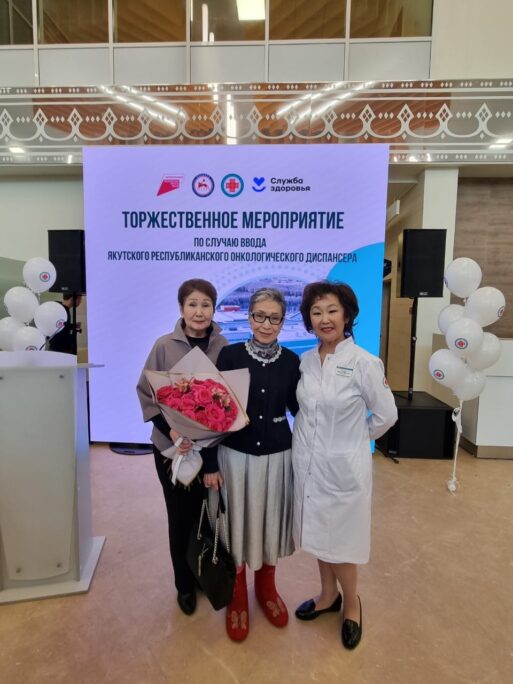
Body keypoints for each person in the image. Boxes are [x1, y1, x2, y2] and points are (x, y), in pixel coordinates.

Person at [292, 281, 397, 649]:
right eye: (316, 312)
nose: (324, 319)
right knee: (319, 534)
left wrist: (355, 438)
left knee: (342, 541)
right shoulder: (307, 360)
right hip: (308, 464)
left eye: (332, 311)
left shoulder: (364, 363)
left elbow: (386, 415)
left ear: (347, 315)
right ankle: (327, 596)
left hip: (343, 469)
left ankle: (352, 605)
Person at [203, 288, 300, 642]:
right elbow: (211, 414)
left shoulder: (292, 362)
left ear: (283, 321)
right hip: (234, 456)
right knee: (236, 526)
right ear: (249, 317)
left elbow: (300, 410)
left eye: (274, 318)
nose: (266, 324)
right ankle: (238, 594)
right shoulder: (228, 356)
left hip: (278, 457)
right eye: (260, 316)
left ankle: (267, 587)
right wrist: (209, 463)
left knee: (269, 521)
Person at [136, 279, 227, 616]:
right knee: (179, 516)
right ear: (181, 308)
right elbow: (147, 394)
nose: (199, 312)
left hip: (210, 449)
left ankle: (201, 573)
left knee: (205, 514)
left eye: (205, 304)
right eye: (192, 304)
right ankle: (184, 584)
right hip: (170, 448)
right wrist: (173, 433)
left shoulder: (223, 347)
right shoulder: (164, 345)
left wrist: (208, 445)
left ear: (213, 308)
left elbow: (228, 402)